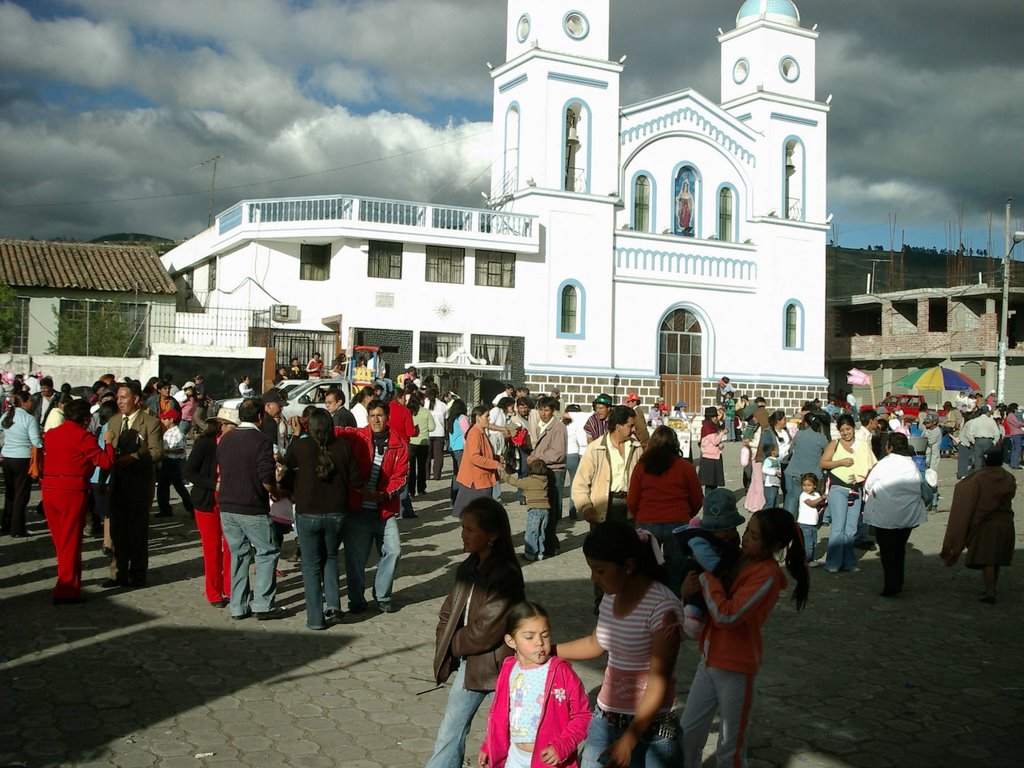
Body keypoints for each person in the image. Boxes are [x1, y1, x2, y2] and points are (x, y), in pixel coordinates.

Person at [679, 508, 810, 768]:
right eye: (747, 530)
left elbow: (727, 616)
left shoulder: (768, 575)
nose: (745, 538)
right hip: (709, 658)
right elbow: (708, 605)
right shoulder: (738, 559)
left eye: (754, 536)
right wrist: (687, 593)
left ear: (774, 546)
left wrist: (708, 577)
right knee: (687, 734)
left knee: (730, 746)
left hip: (736, 667)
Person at [556, 522, 682, 768]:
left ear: (628, 566)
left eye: (600, 570)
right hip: (606, 719)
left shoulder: (664, 609)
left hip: (650, 731)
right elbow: (596, 643)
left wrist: (630, 738)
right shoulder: (610, 596)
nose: (594, 578)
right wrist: (549, 650)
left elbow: (659, 680)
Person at [427, 497, 525, 768]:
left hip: (501, 667)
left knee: (512, 735)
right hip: (471, 664)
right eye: (463, 527)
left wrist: (451, 643)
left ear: (492, 535)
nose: (463, 534)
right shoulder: (468, 567)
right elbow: (447, 613)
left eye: (471, 530)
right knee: (450, 731)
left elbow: (486, 631)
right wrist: (445, 636)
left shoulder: (507, 574)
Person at [479, 602, 592, 768]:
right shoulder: (509, 669)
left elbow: (584, 715)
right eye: (529, 637)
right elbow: (500, 715)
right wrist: (488, 744)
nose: (539, 642)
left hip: (549, 762)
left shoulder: (561, 672)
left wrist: (562, 746)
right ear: (511, 641)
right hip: (515, 757)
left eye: (545, 635)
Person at [283, 409, 364, 629]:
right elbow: (357, 481)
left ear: (309, 426)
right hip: (337, 513)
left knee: (310, 565)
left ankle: (316, 619)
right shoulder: (344, 448)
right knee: (329, 557)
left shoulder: (300, 446)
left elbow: (286, 470)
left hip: (308, 512)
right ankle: (334, 606)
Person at [338, 399, 409, 613]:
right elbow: (335, 429)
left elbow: (401, 476)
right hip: (358, 509)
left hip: (384, 511)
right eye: (372, 416)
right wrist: (308, 423)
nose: (376, 419)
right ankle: (356, 600)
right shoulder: (357, 436)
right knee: (356, 559)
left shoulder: (399, 444)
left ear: (387, 417)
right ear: (367, 418)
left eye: (380, 415)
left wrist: (385, 494)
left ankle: (382, 594)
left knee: (394, 551)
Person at [40, 399, 115, 603]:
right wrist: (108, 442)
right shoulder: (83, 436)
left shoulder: (52, 434)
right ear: (85, 418)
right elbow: (106, 462)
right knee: (70, 541)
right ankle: (67, 588)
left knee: (60, 541)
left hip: (49, 489)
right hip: (70, 491)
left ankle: (67, 583)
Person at [217, 397, 282, 619]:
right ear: (260, 417)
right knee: (267, 552)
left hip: (227, 505)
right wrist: (274, 490)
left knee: (238, 554)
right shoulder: (261, 441)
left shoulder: (225, 439)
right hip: (251, 506)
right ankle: (262, 604)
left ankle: (238, 604)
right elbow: (266, 476)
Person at [627, 425, 703, 595]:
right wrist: (686, 515)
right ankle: (674, 605)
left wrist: (640, 516)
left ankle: (648, 604)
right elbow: (697, 498)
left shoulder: (641, 467)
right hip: (678, 522)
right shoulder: (685, 467)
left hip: (647, 521)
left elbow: (632, 499)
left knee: (646, 571)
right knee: (676, 571)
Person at [104, 382, 164, 587]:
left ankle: (138, 574)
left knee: (137, 533)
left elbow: (156, 451)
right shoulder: (113, 421)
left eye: (123, 397)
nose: (119, 401)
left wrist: (135, 457)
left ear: (136, 399)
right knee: (117, 533)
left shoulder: (150, 422)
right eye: (118, 398)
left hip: (139, 485)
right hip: (117, 484)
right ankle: (116, 574)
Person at [941, 447, 1016, 604]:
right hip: (1006, 522)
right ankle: (991, 588)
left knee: (987, 559)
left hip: (988, 524)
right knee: (995, 560)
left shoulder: (980, 478)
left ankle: (990, 592)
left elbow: (963, 491)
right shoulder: (1008, 477)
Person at [862, 433, 929, 597]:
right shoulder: (912, 465)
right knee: (899, 549)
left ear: (889, 446)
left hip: (886, 515)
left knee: (887, 551)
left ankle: (891, 584)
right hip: (908, 515)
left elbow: (868, 485)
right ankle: (898, 580)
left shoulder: (883, 464)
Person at [184, 413, 236, 607]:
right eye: (232, 425)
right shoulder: (206, 444)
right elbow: (189, 471)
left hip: (230, 501)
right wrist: (212, 485)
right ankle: (214, 593)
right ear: (222, 425)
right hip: (207, 501)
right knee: (212, 548)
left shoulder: (234, 444)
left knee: (232, 547)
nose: (235, 429)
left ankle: (230, 588)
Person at [819, 413, 876, 574]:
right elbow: (823, 462)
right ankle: (833, 562)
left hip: (855, 489)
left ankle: (848, 562)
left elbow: (871, 464)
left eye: (848, 429)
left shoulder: (862, 445)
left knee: (851, 529)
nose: (845, 432)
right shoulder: (834, 444)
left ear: (853, 428)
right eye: (842, 429)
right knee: (838, 526)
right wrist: (841, 462)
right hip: (838, 488)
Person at [572, 406, 643, 527]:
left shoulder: (636, 448)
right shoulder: (596, 448)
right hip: (603, 508)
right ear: (618, 426)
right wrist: (585, 507)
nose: (634, 429)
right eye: (630, 426)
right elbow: (580, 483)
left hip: (629, 509)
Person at [529, 395, 568, 556]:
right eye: (541, 409)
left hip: (554, 471)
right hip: (544, 471)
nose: (543, 413)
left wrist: (538, 456)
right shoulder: (543, 425)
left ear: (553, 411)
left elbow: (558, 453)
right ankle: (549, 542)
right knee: (546, 508)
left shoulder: (557, 427)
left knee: (551, 509)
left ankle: (550, 545)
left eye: (547, 410)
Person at [1, 391, 43, 537]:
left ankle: (6, 524)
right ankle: (17, 528)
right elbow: (36, 442)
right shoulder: (29, 419)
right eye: (31, 400)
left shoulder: (6, 416)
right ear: (24, 402)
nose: (33, 403)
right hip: (22, 459)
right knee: (21, 495)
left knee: (10, 493)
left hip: (7, 457)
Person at [454, 405, 503, 518]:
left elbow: (483, 452)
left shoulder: (480, 431)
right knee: (478, 515)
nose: (489, 419)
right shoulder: (475, 433)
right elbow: (474, 457)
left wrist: (495, 458)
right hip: (475, 480)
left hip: (481, 478)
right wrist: (495, 464)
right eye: (487, 416)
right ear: (478, 418)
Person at [500, 459, 550, 561]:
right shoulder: (545, 480)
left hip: (534, 510)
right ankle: (540, 553)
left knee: (531, 532)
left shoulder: (529, 481)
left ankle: (530, 553)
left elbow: (515, 482)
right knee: (541, 532)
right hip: (545, 510)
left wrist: (505, 475)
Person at [155, 409, 194, 518]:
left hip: (175, 462)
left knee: (179, 486)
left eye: (165, 419)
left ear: (171, 420)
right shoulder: (167, 432)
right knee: (162, 486)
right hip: (166, 461)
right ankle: (165, 509)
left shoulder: (178, 433)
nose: (163, 420)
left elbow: (181, 450)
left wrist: (167, 451)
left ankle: (191, 507)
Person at [408, 394, 436, 499]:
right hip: (423, 442)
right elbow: (432, 427)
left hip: (411, 442)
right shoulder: (425, 412)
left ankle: (411, 490)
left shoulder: (408, 412)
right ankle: (421, 488)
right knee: (421, 466)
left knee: (411, 467)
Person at [796, 473, 825, 566]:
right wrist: (821, 498)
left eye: (809, 485)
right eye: (804, 485)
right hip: (804, 524)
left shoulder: (816, 494)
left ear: (815, 485)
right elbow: (812, 504)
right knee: (808, 544)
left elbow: (820, 504)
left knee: (813, 543)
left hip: (814, 524)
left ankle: (810, 559)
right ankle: (807, 560)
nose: (806, 487)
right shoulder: (803, 495)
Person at [446, 398, 470, 506]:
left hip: (453, 448)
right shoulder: (462, 418)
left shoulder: (451, 419)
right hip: (461, 448)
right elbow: (467, 433)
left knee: (456, 474)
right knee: (463, 474)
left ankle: (454, 499)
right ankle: (462, 499)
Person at [698, 406, 724, 491]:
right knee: (710, 485)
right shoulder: (708, 428)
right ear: (712, 417)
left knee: (713, 484)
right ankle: (708, 502)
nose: (717, 418)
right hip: (710, 458)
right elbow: (715, 441)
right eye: (716, 416)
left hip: (713, 456)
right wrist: (722, 433)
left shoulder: (710, 426)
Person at [426, 387, 449, 481]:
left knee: (427, 455)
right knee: (438, 455)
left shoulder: (425, 403)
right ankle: (437, 475)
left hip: (427, 432)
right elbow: (446, 418)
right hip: (439, 433)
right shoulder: (443, 405)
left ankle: (426, 475)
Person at [761, 443, 782, 508]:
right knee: (770, 501)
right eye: (776, 450)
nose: (778, 451)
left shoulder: (777, 459)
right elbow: (764, 469)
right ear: (772, 451)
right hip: (770, 484)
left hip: (776, 483)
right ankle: (764, 515)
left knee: (775, 502)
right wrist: (775, 472)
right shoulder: (768, 460)